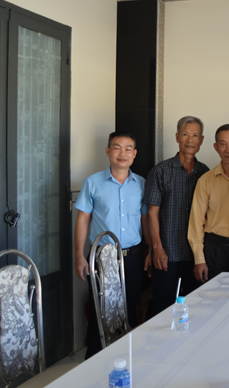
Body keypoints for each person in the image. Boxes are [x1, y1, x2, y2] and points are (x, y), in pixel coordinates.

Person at [73, 131, 150, 359]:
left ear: (134, 154)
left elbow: (145, 219)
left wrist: (150, 250)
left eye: (128, 149)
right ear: (108, 151)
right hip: (101, 257)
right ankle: (94, 360)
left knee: (129, 307)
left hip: (133, 256)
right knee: (100, 311)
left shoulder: (141, 184)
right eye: (117, 148)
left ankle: (128, 359)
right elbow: (82, 220)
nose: (122, 153)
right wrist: (79, 256)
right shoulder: (92, 182)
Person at [144, 116, 209, 316]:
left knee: (194, 311)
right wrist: (157, 249)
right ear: (177, 137)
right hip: (167, 254)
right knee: (164, 311)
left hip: (195, 256)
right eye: (185, 134)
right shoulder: (161, 171)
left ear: (201, 140)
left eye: (195, 135)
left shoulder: (205, 173)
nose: (190, 139)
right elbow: (152, 212)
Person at [188, 124, 229, 282]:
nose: (228, 150)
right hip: (215, 249)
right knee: (214, 294)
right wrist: (199, 259)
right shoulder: (205, 181)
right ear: (216, 147)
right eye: (223, 144)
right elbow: (196, 222)